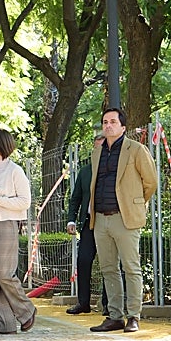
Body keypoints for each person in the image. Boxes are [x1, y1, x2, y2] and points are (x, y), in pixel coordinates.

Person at [88, 107, 159, 334]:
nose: (108, 125)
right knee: (108, 269)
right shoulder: (97, 152)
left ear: (123, 127)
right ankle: (115, 316)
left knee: (131, 268)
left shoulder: (136, 149)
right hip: (101, 218)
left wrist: (135, 203)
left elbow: (151, 182)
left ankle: (133, 316)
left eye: (112, 122)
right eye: (105, 122)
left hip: (125, 218)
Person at [0, 129, 38, 334]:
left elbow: (25, 201)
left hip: (6, 222)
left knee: (4, 273)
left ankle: (26, 310)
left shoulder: (15, 170)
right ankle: (3, 322)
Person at [66, 133, 108, 316]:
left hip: (107, 222)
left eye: (102, 148)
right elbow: (75, 198)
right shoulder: (85, 172)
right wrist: (71, 219)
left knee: (109, 264)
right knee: (83, 261)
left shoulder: (112, 170)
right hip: (88, 224)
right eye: (96, 148)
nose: (99, 152)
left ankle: (108, 304)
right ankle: (83, 302)